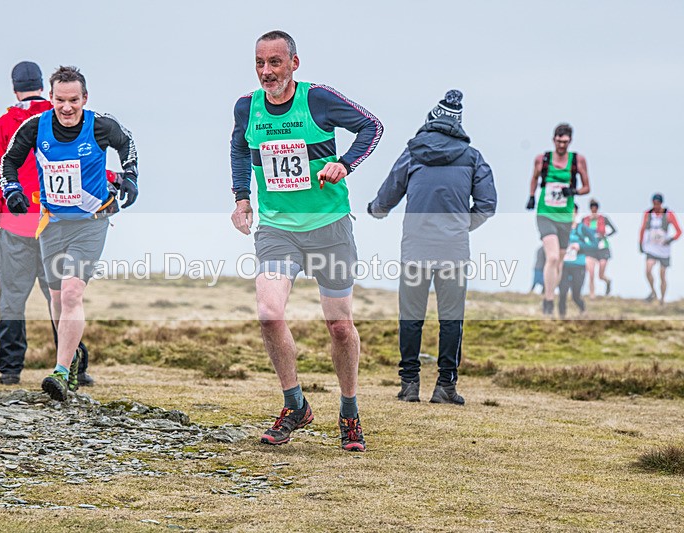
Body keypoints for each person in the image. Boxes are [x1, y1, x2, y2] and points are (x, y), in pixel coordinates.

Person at [230, 30, 382, 451]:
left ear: (294, 63)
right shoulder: (247, 107)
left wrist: (344, 164)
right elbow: (241, 150)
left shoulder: (317, 99)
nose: (266, 72)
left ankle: (349, 411)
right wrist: (242, 198)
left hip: (329, 226)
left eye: (275, 62)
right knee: (268, 312)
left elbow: (372, 127)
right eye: (260, 63)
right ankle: (295, 404)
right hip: (278, 228)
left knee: (338, 326)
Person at [0, 66, 139, 400]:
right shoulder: (35, 127)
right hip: (52, 224)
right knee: (59, 299)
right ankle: (73, 355)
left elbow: (128, 144)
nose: (66, 107)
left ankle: (60, 372)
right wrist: (13, 191)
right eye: (60, 100)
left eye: (73, 100)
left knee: (73, 293)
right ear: (51, 98)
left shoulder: (101, 125)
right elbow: (9, 161)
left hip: (91, 223)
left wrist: (130, 177)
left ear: (84, 98)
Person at [368, 90, 496, 405]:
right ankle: (445, 387)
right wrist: (460, 226)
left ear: (432, 120)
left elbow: (386, 198)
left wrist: (375, 209)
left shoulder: (412, 152)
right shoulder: (472, 157)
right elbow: (487, 205)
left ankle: (409, 384)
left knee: (411, 316)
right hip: (453, 250)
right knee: (451, 318)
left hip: (415, 249)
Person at [0, 61, 96, 387]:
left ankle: (10, 370)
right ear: (44, 89)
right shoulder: (61, 117)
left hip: (16, 227)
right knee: (63, 299)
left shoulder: (6, 123)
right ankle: (75, 367)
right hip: (58, 224)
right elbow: (86, 165)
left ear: (15, 87)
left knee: (13, 299)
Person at [525, 123, 590, 316]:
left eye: (565, 142)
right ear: (553, 140)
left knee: (559, 261)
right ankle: (548, 300)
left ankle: (551, 293)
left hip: (565, 215)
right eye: (559, 141)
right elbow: (534, 178)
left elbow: (587, 187)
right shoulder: (542, 159)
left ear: (570, 141)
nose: (562, 145)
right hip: (545, 213)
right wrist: (531, 196)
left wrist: (574, 191)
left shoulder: (578, 160)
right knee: (551, 257)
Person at [639, 193, 681, 305]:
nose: (656, 205)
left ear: (661, 203)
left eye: (657, 203)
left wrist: (670, 240)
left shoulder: (669, 214)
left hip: (664, 250)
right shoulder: (648, 214)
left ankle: (662, 299)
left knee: (662, 275)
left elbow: (679, 231)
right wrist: (640, 243)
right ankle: (653, 292)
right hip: (651, 248)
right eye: (654, 203)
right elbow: (642, 229)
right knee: (648, 270)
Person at [559, 205, 599, 318]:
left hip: (578, 265)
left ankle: (582, 309)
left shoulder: (582, 228)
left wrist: (580, 246)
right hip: (564, 265)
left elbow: (595, 244)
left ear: (576, 213)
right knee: (562, 292)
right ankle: (561, 317)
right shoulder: (561, 228)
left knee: (575, 294)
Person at [581, 198, 617, 297]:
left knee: (600, 275)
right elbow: (580, 231)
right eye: (592, 207)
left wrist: (605, 235)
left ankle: (607, 281)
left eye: (595, 207)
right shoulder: (585, 220)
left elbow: (614, 230)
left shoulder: (603, 218)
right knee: (591, 273)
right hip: (590, 248)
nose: (594, 209)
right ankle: (592, 294)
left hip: (602, 247)